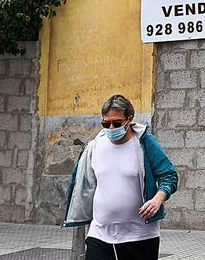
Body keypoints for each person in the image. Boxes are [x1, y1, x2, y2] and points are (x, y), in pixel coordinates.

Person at [64, 94, 178, 260]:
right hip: (100, 235)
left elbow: (169, 176)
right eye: (105, 123)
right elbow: (86, 185)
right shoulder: (94, 146)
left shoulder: (145, 143)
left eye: (116, 123)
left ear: (129, 119)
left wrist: (157, 199)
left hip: (140, 236)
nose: (111, 128)